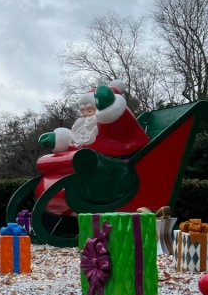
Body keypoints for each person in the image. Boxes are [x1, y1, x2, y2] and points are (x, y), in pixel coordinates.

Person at [34, 80, 150, 214]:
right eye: (82, 111)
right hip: (86, 169)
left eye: (90, 110)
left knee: (86, 159)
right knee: (79, 160)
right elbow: (73, 141)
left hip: (113, 171)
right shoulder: (81, 132)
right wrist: (57, 140)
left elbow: (119, 124)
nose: (84, 115)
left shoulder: (109, 123)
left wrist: (107, 103)